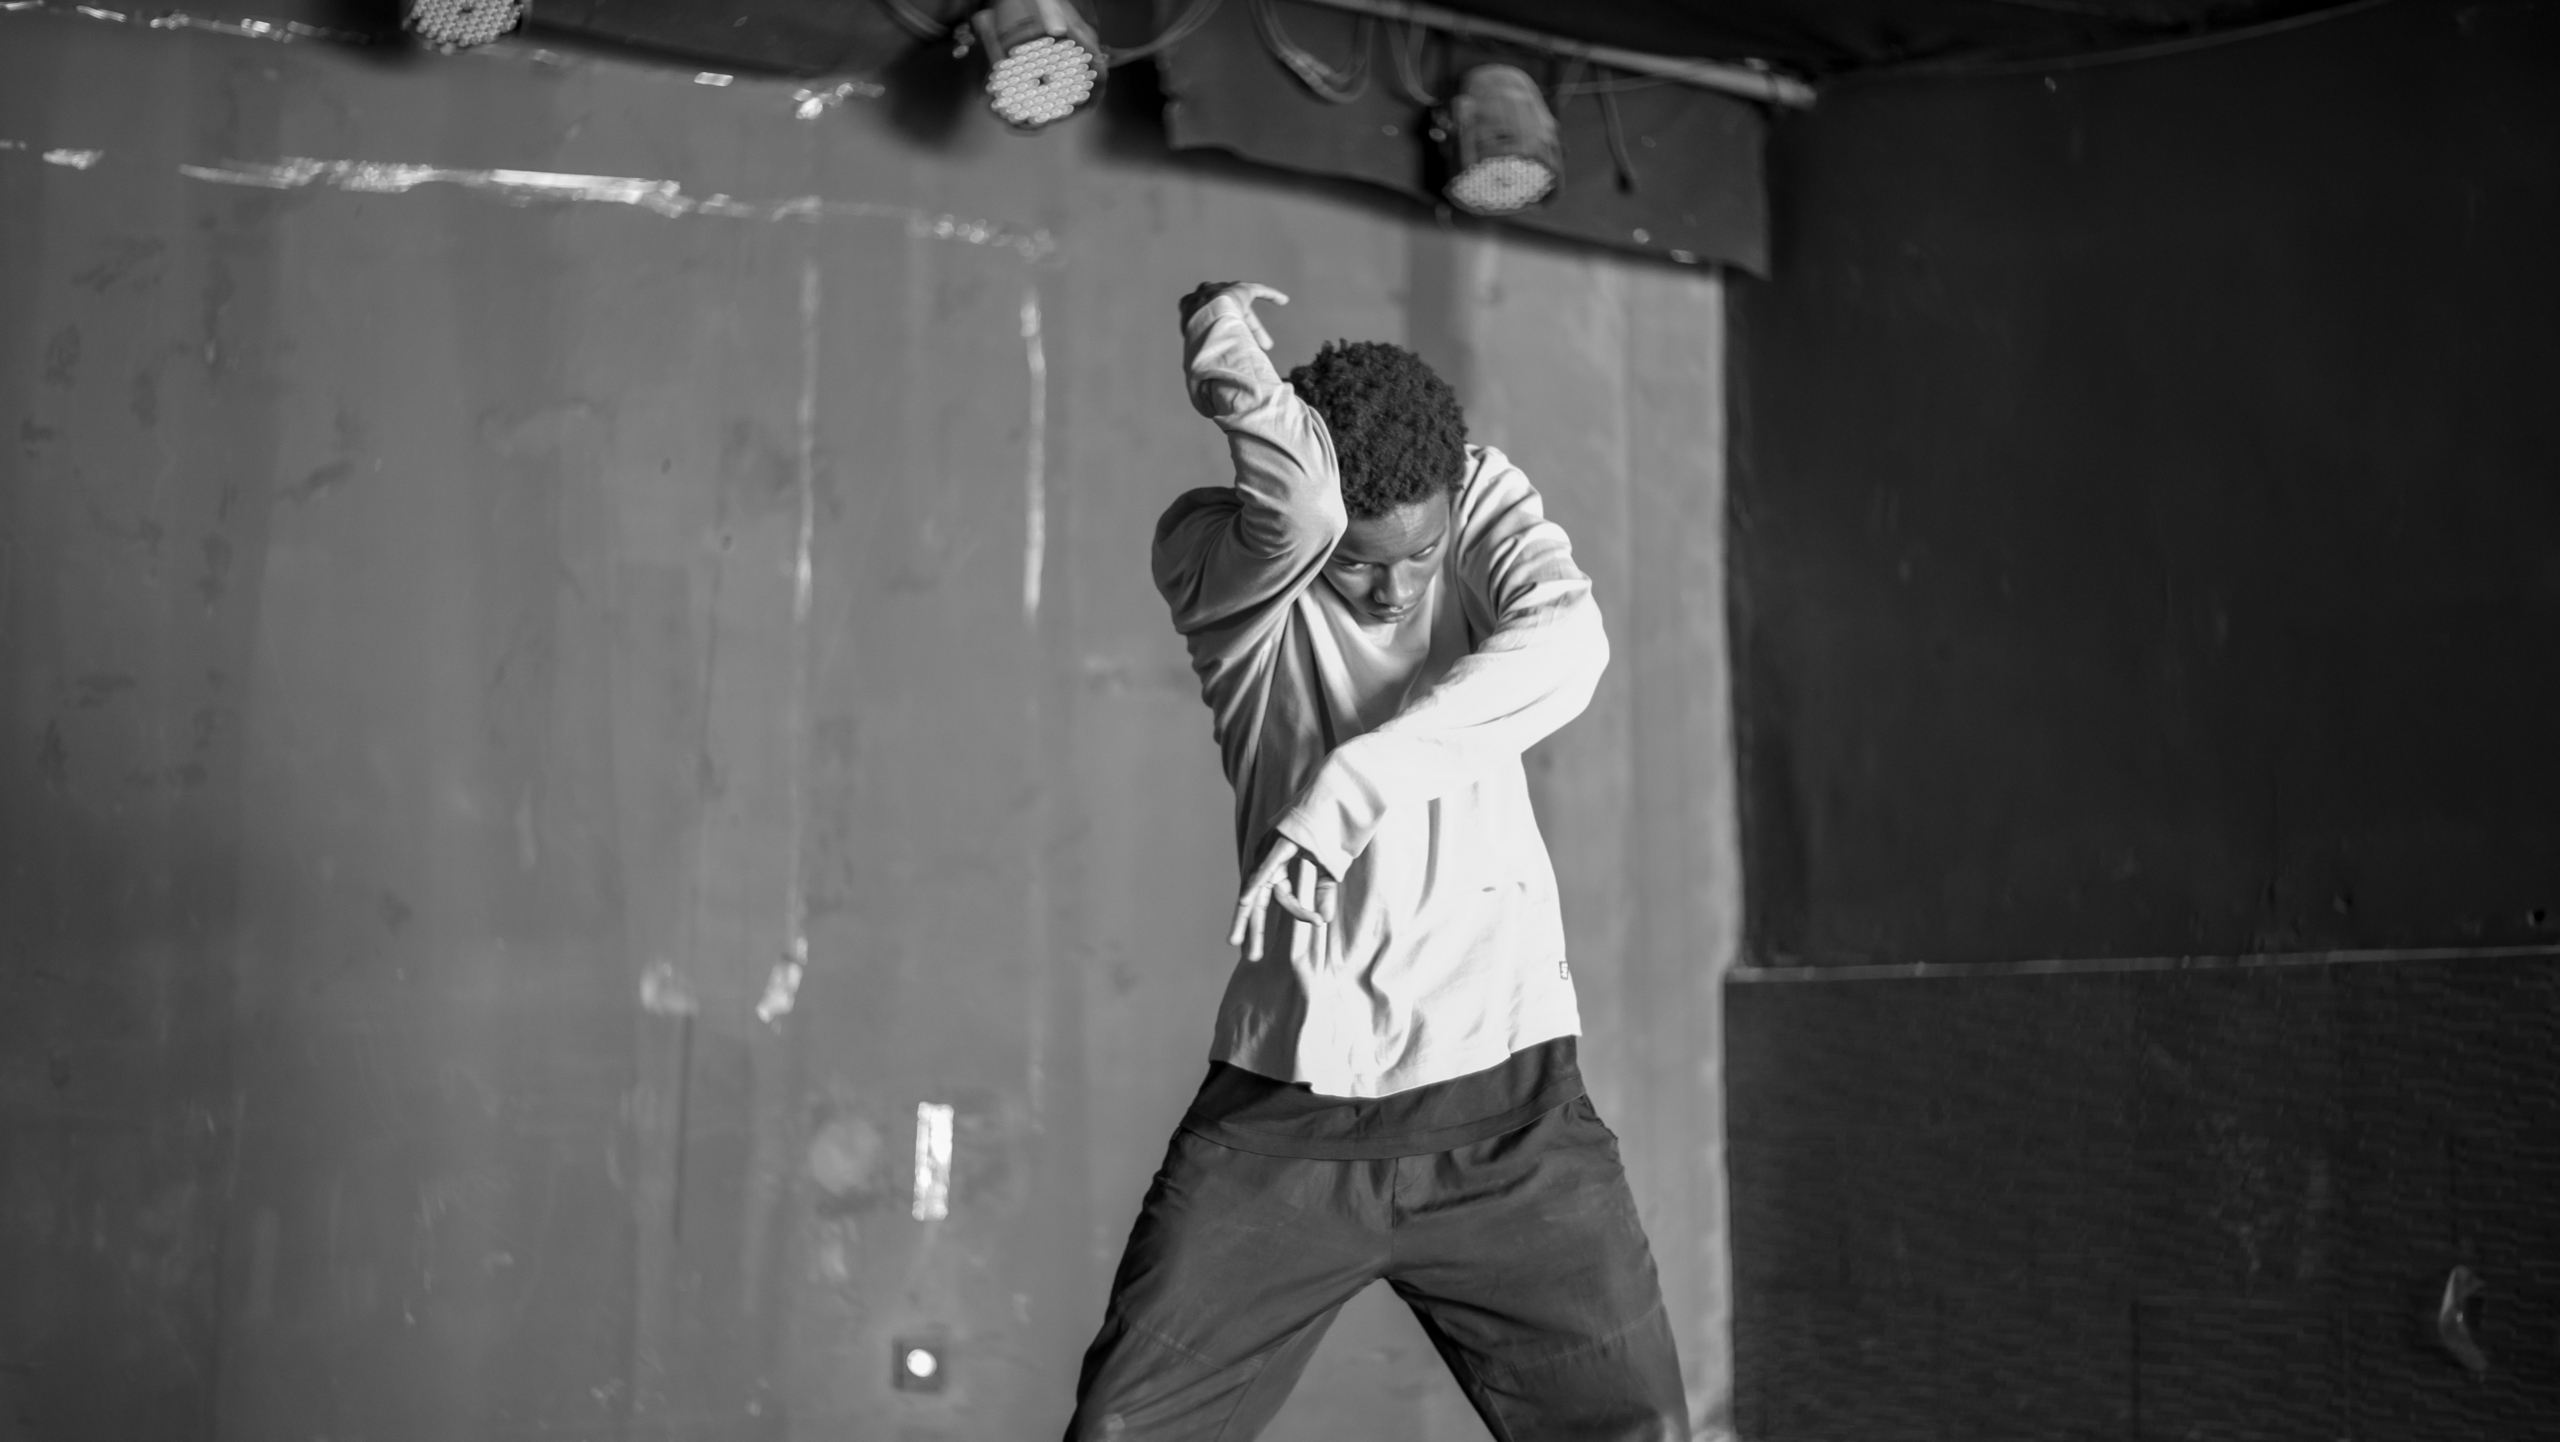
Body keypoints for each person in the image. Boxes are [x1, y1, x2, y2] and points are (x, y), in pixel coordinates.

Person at [1062, 281, 1687, 1441]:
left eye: (1422, 553)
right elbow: (1298, 506)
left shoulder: (1477, 505)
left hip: (1510, 1112)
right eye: (1361, 563)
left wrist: (1345, 791)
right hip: (1290, 1113)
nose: (1397, 590)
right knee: (1123, 1427)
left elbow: (1568, 640)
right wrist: (1223, 344)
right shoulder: (1229, 575)